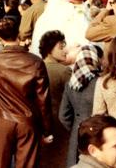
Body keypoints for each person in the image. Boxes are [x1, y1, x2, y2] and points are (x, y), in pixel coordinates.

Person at [0, 17, 52, 168]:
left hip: (3, 118)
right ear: (18, 33)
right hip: (27, 120)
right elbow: (43, 99)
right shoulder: (36, 62)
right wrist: (47, 129)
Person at [59, 44, 104, 167]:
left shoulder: (71, 83)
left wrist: (75, 127)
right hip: (97, 132)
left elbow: (63, 116)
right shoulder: (100, 82)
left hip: (77, 131)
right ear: (94, 58)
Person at [38, 30, 71, 168]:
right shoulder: (63, 71)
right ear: (49, 49)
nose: (65, 50)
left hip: (39, 124)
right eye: (61, 46)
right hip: (60, 124)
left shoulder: (35, 67)